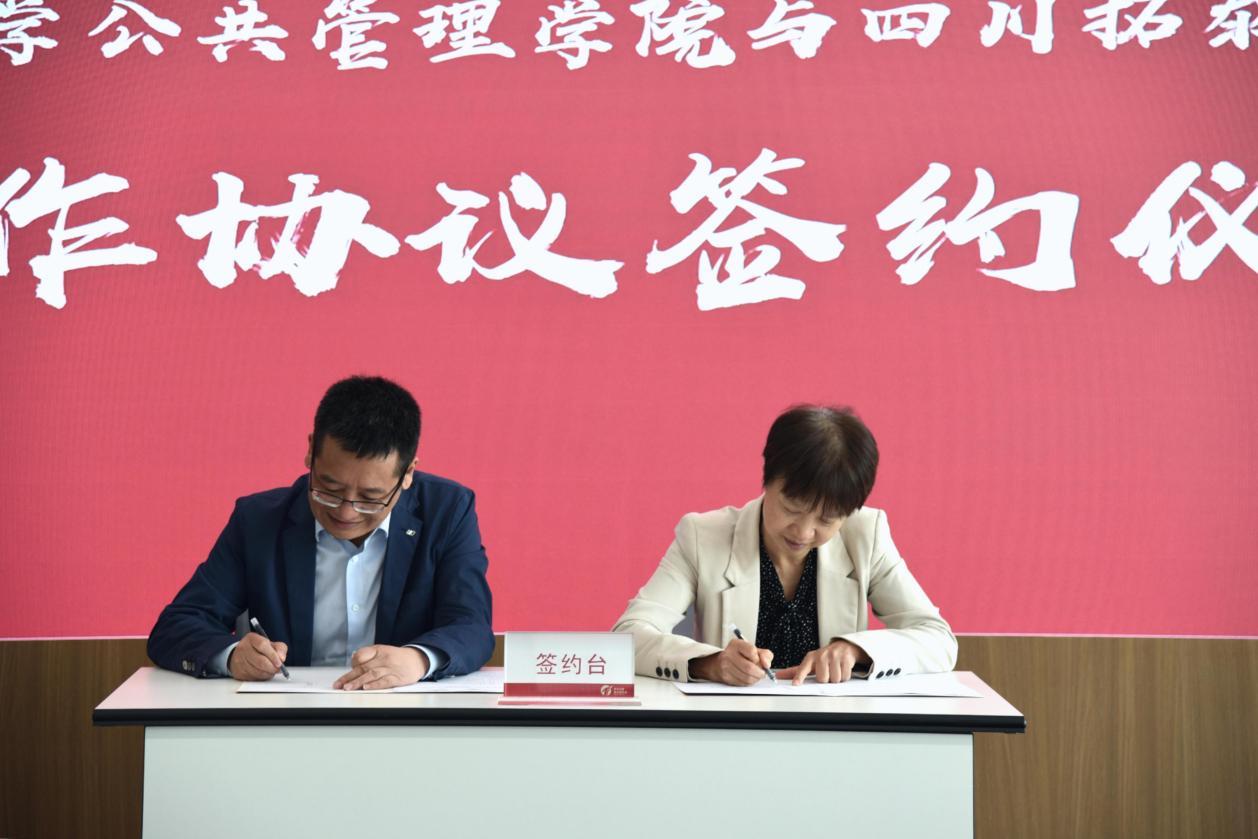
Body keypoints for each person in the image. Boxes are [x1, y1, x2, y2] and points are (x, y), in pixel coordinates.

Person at [147, 375, 494, 690]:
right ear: (311, 450)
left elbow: (471, 626)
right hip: (289, 716)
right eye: (329, 489)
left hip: (401, 713)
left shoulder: (447, 511)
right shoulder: (258, 521)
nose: (345, 512)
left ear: (407, 475)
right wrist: (232, 655)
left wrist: (417, 660)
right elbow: (177, 626)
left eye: (370, 498)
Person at [613, 405, 956, 685]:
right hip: (731, 730)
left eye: (827, 520)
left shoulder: (866, 536)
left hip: (836, 733)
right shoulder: (704, 537)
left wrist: (857, 651)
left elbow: (937, 639)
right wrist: (709, 664)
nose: (804, 532)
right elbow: (628, 637)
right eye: (792, 508)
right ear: (767, 480)